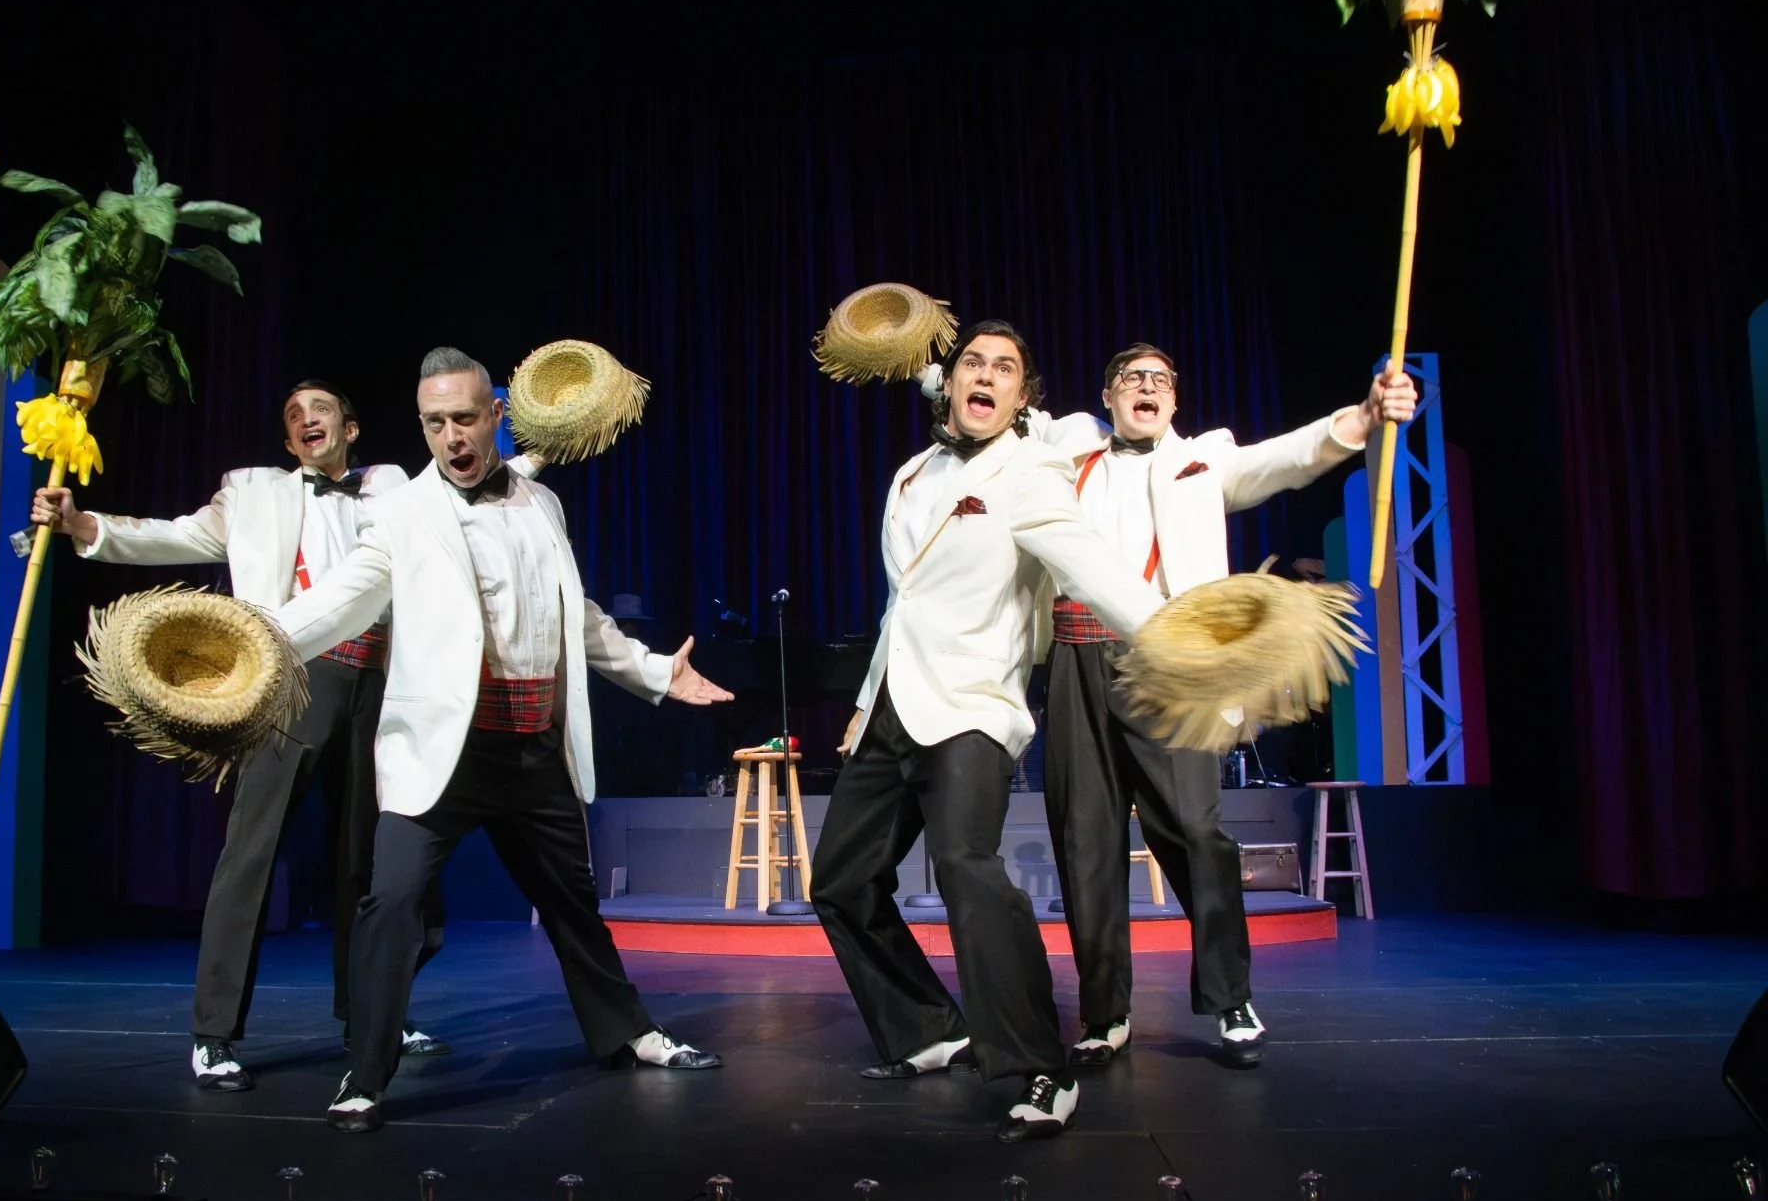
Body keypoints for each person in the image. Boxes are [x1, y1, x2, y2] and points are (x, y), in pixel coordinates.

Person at [267, 347, 733, 1133]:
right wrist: (257, 640)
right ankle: (367, 1072)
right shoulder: (403, 513)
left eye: (464, 418)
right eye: (434, 422)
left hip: (530, 745)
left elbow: (574, 614)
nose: (451, 436)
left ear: (496, 416)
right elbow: (342, 602)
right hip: (442, 753)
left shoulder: (539, 504)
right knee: (391, 905)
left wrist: (653, 672)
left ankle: (627, 1033)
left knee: (571, 902)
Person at [32, 381, 459, 1091]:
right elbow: (171, 532)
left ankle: (371, 1016)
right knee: (252, 854)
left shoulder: (393, 485)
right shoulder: (253, 492)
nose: (305, 420)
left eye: (319, 409)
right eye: (292, 417)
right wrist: (84, 526)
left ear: (350, 425)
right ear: (289, 443)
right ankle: (214, 1033)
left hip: (384, 682)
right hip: (292, 677)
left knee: (369, 863)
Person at [811, 321, 1167, 1143]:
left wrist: (1169, 631)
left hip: (971, 702)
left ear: (1020, 396)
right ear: (951, 382)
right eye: (974, 361)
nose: (987, 375)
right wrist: (867, 703)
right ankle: (929, 1030)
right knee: (840, 879)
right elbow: (902, 604)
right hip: (894, 701)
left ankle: (1040, 1066)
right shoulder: (909, 473)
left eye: (1006, 367)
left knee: (966, 864)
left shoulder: (1031, 470)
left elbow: (1087, 561)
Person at [1027, 343, 1415, 1068]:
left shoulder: (1205, 459)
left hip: (1171, 664)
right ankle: (1105, 1012)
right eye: (1132, 379)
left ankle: (1231, 994)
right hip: (1078, 658)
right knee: (1086, 842)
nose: (1147, 388)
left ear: (1174, 399)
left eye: (1161, 380)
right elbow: (1009, 417)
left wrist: (1362, 418)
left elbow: (1285, 459)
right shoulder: (1069, 443)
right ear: (1108, 395)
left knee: (1197, 834)